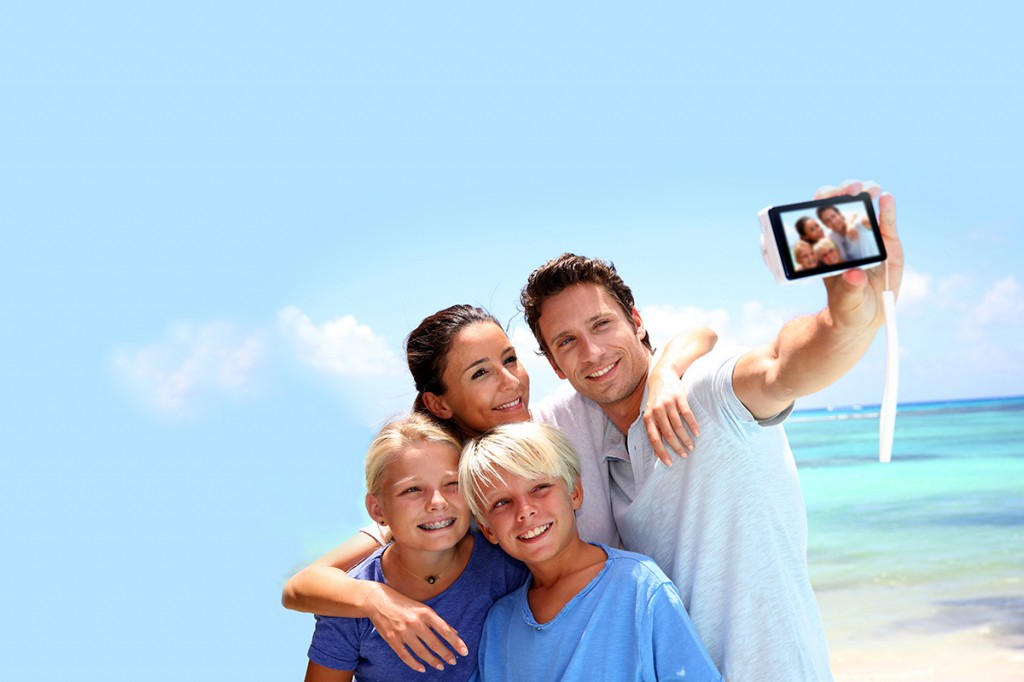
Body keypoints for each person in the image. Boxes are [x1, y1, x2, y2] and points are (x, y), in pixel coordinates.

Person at [519, 181, 903, 680]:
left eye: (602, 325)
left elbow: (779, 366)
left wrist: (848, 322)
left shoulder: (702, 389)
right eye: (567, 341)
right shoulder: (570, 420)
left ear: (636, 321)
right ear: (552, 361)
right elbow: (479, 459)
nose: (591, 352)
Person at [282, 305, 717, 672]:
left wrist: (665, 373)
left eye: (510, 359)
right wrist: (379, 601)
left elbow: (701, 332)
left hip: (617, 624)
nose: (509, 381)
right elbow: (303, 584)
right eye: (480, 373)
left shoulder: (559, 420)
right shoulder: (439, 502)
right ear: (439, 403)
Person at [459, 422, 721, 682]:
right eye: (502, 502)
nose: (525, 510)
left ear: (575, 492)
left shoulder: (639, 587)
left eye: (539, 488)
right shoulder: (498, 625)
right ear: (488, 529)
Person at [303, 413, 530, 681]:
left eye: (452, 484)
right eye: (412, 490)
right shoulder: (347, 605)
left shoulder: (505, 563)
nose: (437, 502)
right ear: (378, 509)